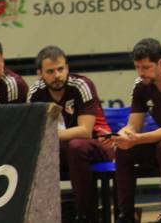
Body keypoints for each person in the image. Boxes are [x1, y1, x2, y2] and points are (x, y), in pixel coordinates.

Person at [27, 45, 113, 222]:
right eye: (50, 71)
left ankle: (85, 216)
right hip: (59, 151)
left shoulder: (82, 85)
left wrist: (49, 134)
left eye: (61, 69)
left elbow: (85, 131)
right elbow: (33, 133)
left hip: (97, 146)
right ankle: (44, 216)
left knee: (76, 146)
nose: (57, 75)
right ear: (40, 74)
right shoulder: (35, 93)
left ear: (67, 68)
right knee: (34, 153)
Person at [113, 38, 161, 223]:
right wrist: (123, 135)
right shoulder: (140, 85)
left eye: (146, 67)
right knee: (123, 150)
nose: (141, 73)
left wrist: (139, 138)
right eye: (137, 67)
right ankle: (126, 214)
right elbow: (133, 125)